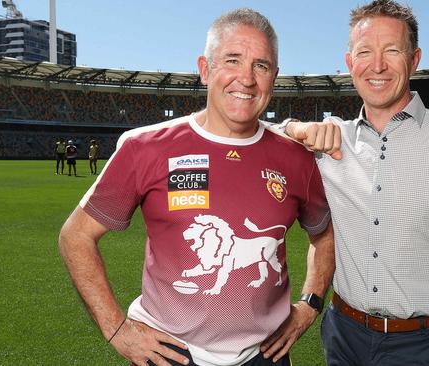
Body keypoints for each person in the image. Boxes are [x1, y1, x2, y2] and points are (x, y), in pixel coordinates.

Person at [59, 8, 334, 366]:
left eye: (261, 66)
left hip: (264, 356)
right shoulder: (144, 147)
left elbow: (324, 236)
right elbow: (75, 236)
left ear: (274, 78)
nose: (246, 79)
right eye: (232, 60)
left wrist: (310, 305)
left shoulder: (297, 158)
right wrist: (116, 329)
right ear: (205, 69)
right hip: (169, 355)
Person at [282, 1, 429, 365]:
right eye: (365, 52)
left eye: (392, 50)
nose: (377, 66)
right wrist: (296, 127)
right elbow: (257, 132)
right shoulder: (329, 141)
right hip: (343, 335)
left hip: (425, 344)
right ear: (349, 63)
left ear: (415, 58)